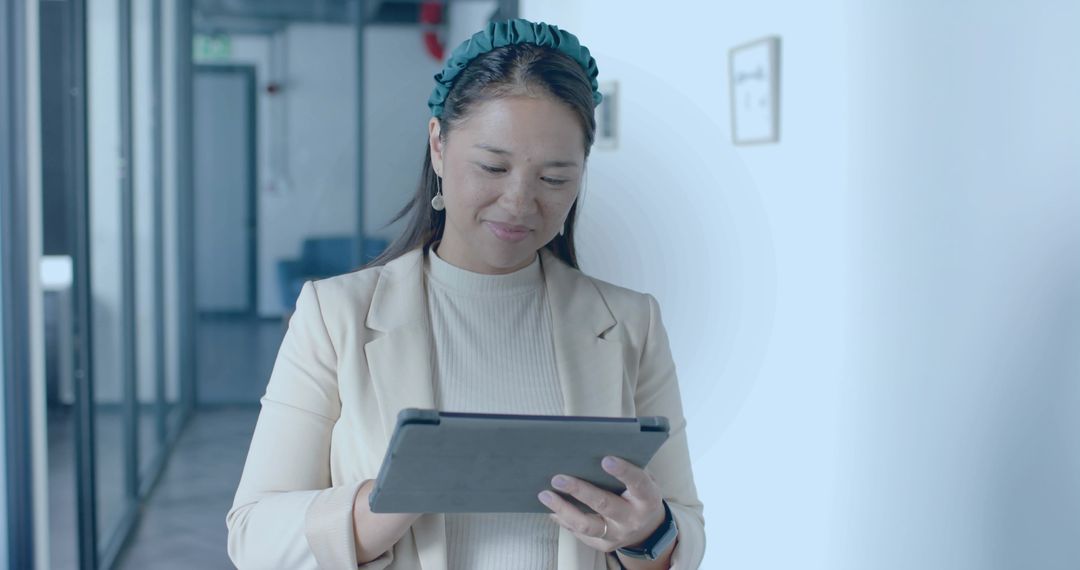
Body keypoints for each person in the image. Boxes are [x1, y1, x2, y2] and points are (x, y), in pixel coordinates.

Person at [226, 18, 704, 570]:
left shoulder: (630, 322)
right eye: (492, 166)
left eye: (554, 178)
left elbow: (682, 529)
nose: (520, 203)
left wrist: (649, 533)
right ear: (437, 146)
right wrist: (392, 498)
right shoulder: (336, 316)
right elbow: (253, 536)